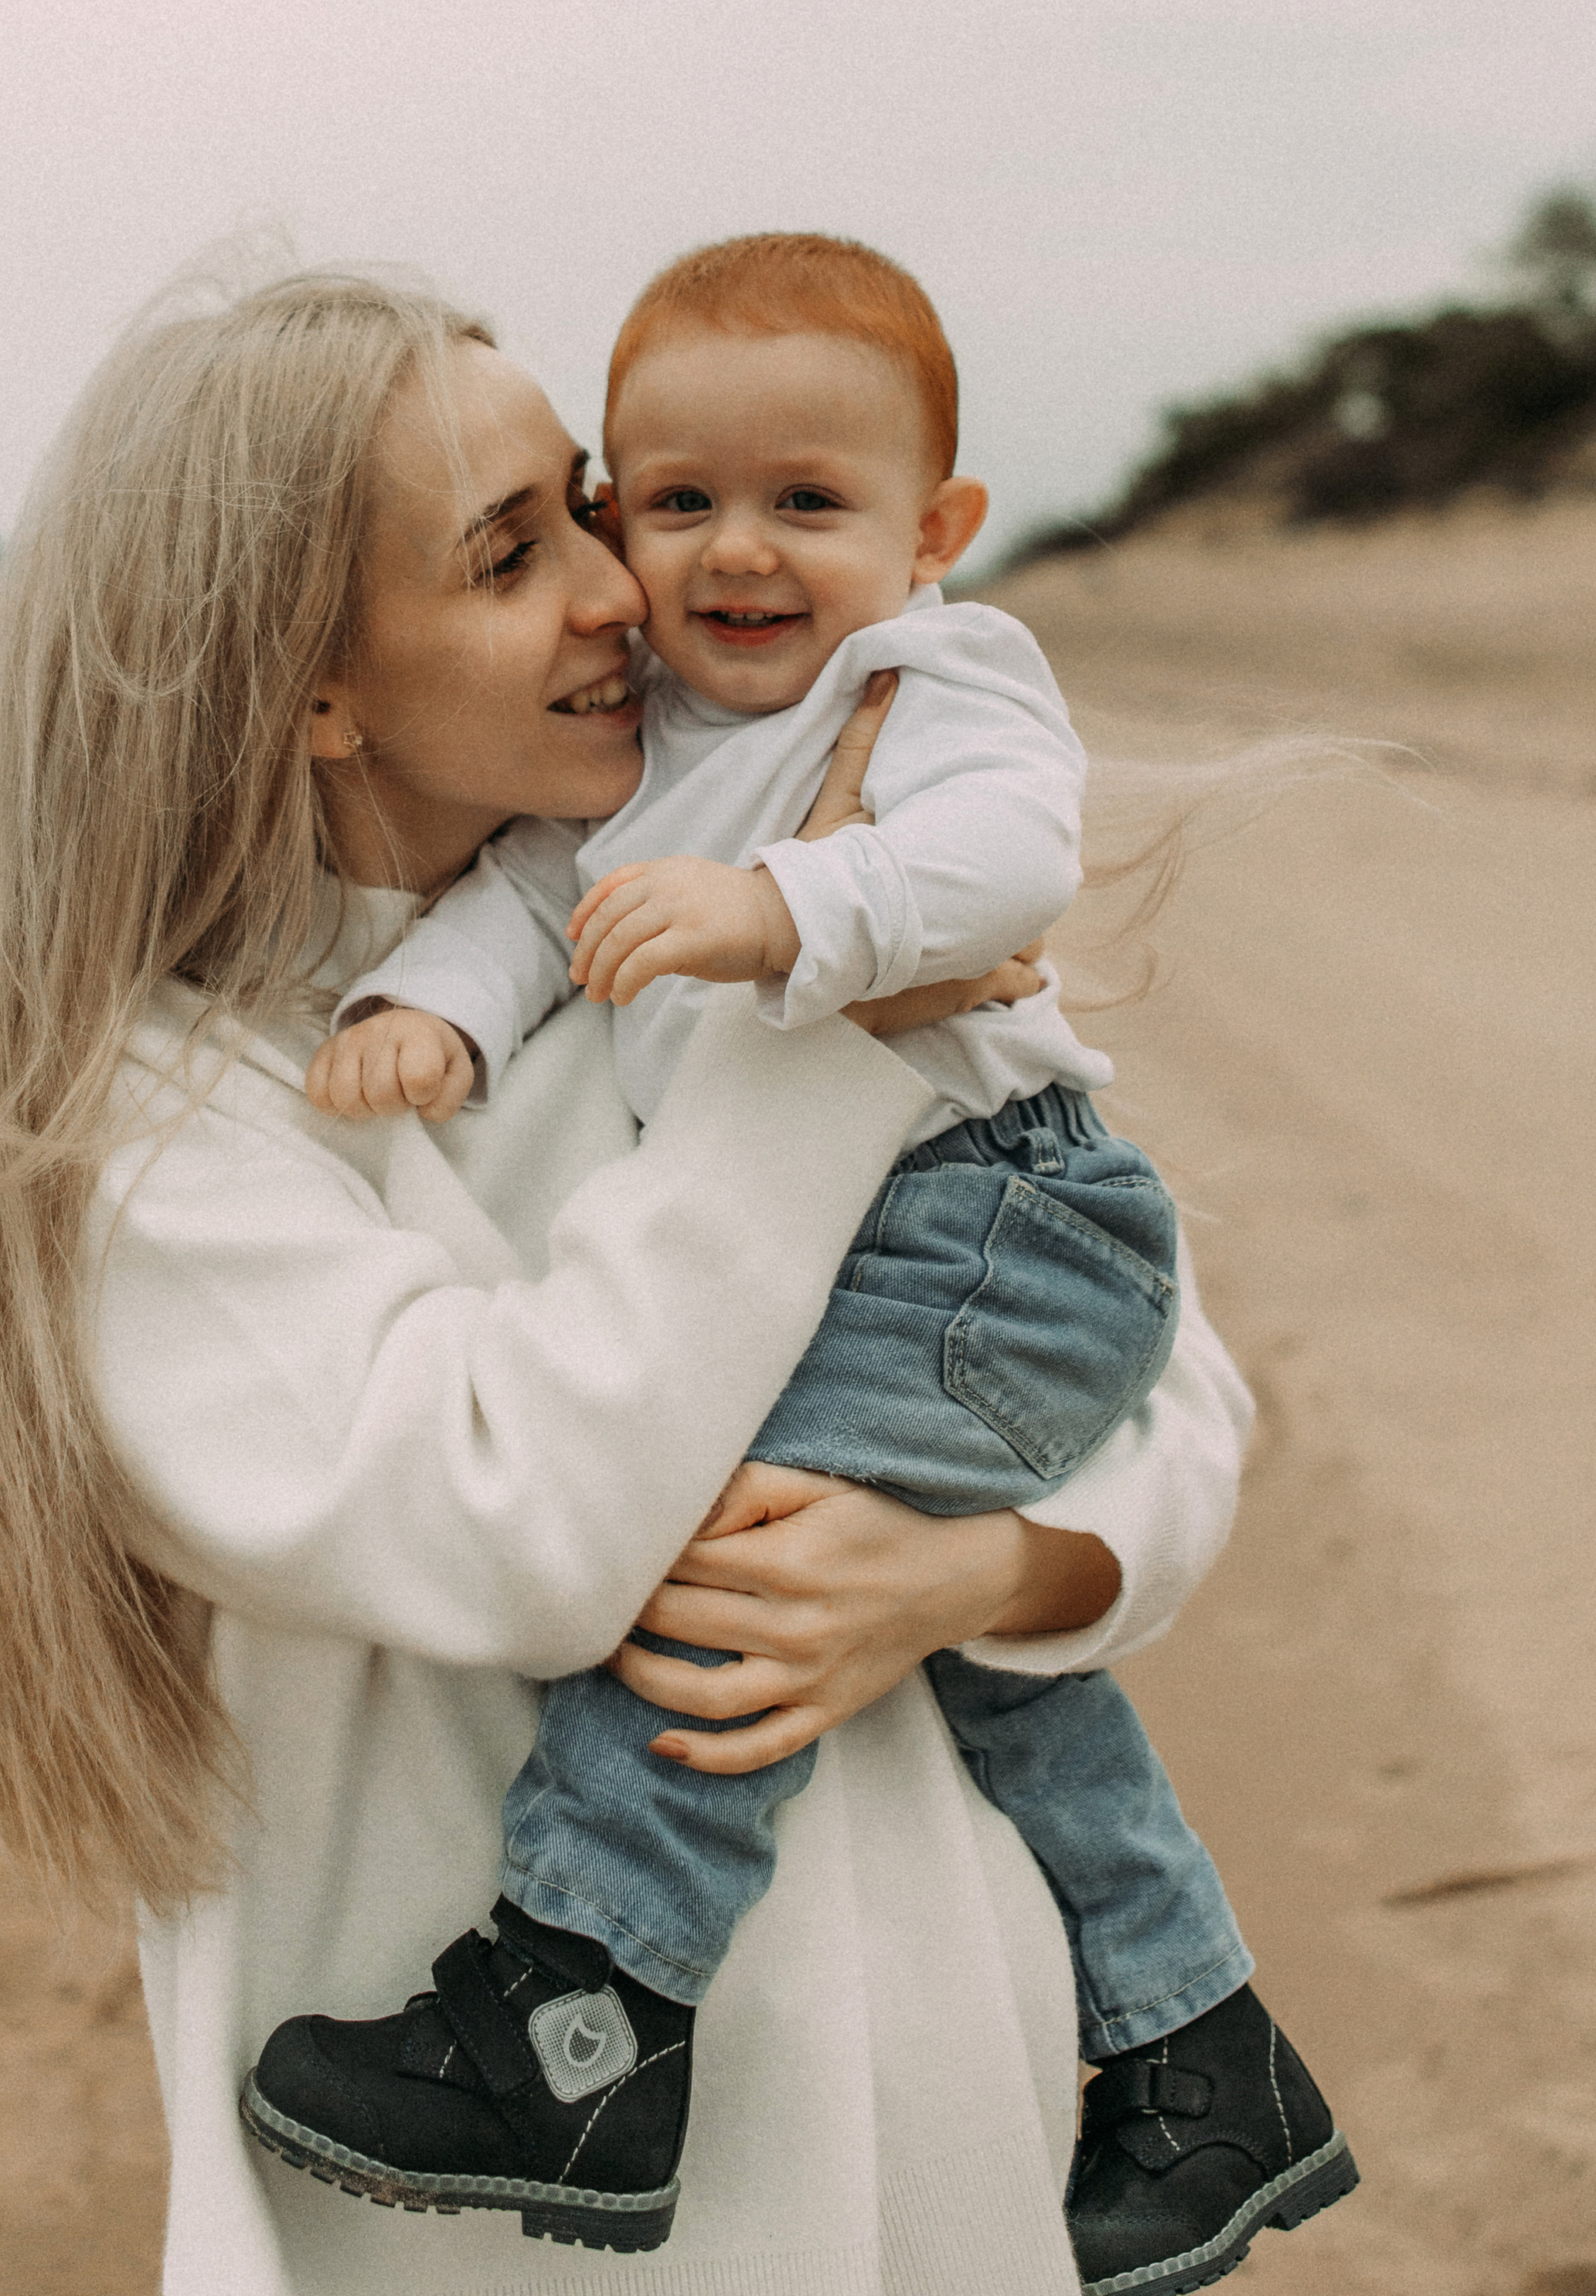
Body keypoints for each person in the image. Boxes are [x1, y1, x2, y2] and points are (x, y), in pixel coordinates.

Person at [0, 264, 1255, 2296]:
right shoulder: (150, 1120)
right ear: (312, 684)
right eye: (510, 550)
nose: (627, 588)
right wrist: (829, 1030)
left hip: (938, 2123)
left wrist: (990, 1575)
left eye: (592, 507)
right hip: (506, 2228)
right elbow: (514, 1521)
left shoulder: (689, 944)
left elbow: (1166, 1384)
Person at [257, 235, 1355, 2295]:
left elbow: (1009, 858)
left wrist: (789, 914)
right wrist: (434, 1017)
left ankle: (584, 2012)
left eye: (809, 501)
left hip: (1001, 1215)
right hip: (917, 1235)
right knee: (944, 1659)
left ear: (935, 532)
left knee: (728, 1566)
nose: (736, 551)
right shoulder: (650, 742)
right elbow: (536, 902)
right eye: (676, 502)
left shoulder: (929, 680)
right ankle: (1199, 2051)